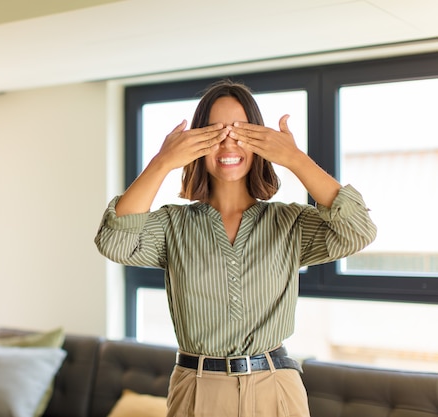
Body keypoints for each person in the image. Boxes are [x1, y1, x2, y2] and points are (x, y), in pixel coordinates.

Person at [94, 79, 377, 417]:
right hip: (197, 390)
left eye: (241, 131)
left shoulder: (289, 222)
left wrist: (295, 159)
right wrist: (162, 162)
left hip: (275, 389)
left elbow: (358, 229)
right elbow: (114, 241)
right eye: (214, 133)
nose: (228, 143)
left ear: (260, 141)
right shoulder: (173, 225)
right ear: (196, 144)